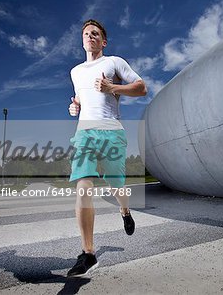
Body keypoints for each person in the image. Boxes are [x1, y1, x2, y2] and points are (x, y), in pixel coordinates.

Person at [67, 19, 147, 277]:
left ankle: (124, 210)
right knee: (83, 184)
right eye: (87, 34)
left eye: (96, 34)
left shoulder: (114, 62)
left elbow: (141, 88)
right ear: (82, 41)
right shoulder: (75, 71)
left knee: (116, 186)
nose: (90, 36)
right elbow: (80, 97)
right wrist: (74, 107)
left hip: (111, 131)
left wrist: (112, 86)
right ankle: (88, 253)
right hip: (84, 133)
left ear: (103, 41)